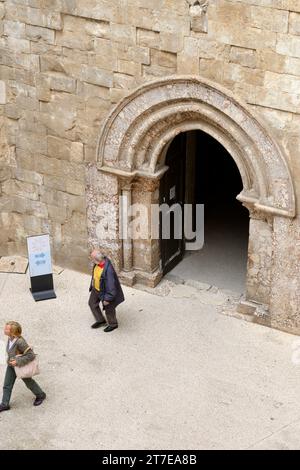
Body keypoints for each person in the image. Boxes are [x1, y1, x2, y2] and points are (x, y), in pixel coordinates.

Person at [0, 321, 46, 412]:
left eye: (6, 329)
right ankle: (5, 404)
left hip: (20, 366)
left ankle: (41, 395)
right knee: (7, 385)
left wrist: (17, 361)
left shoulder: (20, 342)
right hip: (11, 365)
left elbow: (31, 355)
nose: (4, 329)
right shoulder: (10, 338)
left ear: (12, 331)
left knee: (29, 382)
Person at [88, 250, 125, 332]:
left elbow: (111, 287)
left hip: (106, 293)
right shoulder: (98, 263)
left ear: (96, 260)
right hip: (96, 289)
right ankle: (101, 320)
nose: (91, 260)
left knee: (109, 310)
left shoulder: (108, 271)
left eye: (92, 258)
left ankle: (113, 324)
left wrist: (107, 299)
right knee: (92, 303)